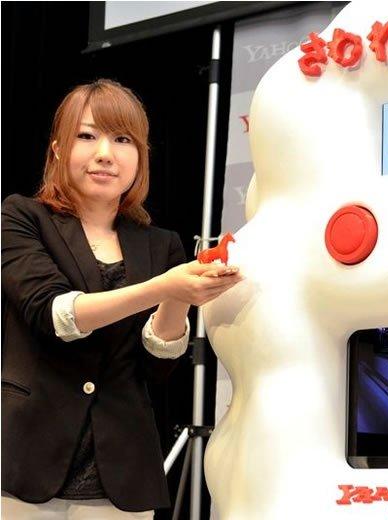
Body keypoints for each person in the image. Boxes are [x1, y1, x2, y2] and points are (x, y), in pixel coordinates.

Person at [1, 79, 242, 519]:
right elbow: (54, 314)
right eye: (86, 136)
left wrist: (180, 296)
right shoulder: (21, 217)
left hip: (123, 475)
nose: (105, 153)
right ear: (58, 150)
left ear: (140, 156)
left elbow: (156, 365)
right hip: (23, 464)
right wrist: (164, 286)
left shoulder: (160, 244)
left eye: (122, 139)